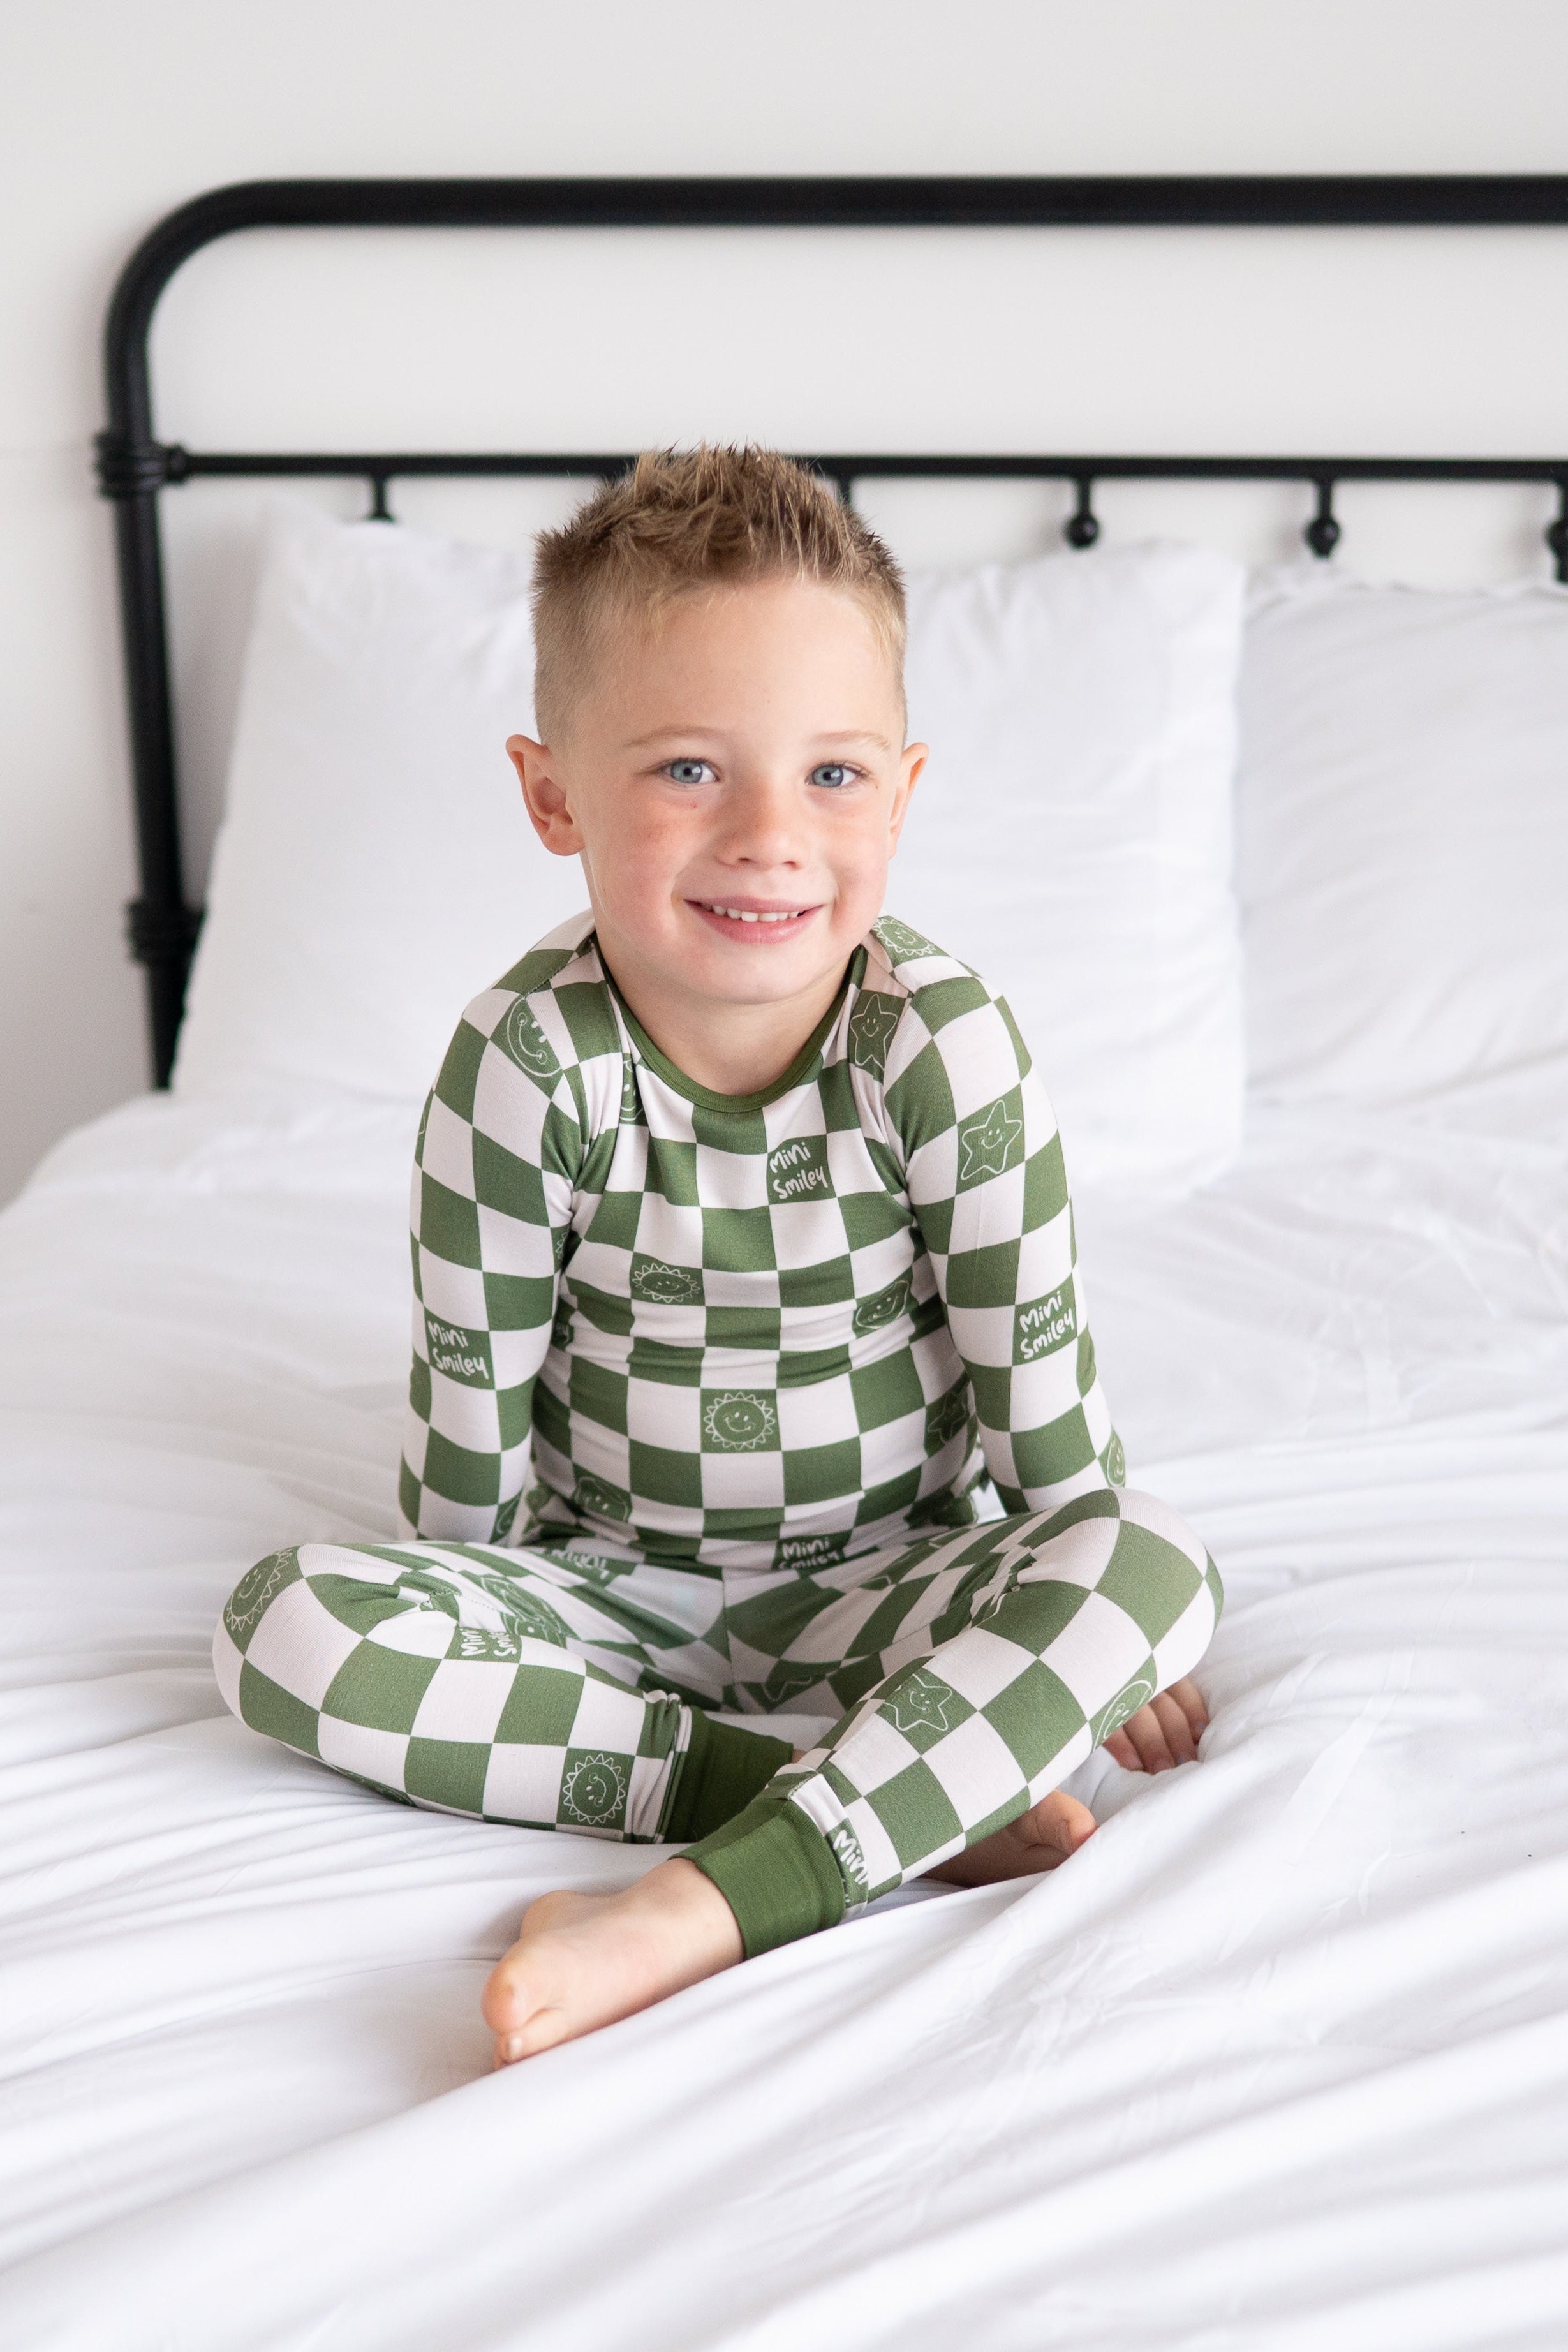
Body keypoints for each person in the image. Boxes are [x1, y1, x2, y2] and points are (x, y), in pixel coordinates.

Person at [214, 447, 1222, 2069]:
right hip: (604, 1591)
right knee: (283, 1626)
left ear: (901, 791)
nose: (769, 834)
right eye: (689, 768)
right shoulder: (523, 1065)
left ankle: (692, 1903)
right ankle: (838, 1802)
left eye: (830, 775)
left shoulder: (938, 1048)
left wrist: (1105, 1632)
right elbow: (463, 1435)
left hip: (888, 1584)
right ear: (552, 795)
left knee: (1155, 1561)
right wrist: (463, 1602)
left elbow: (1045, 1398)